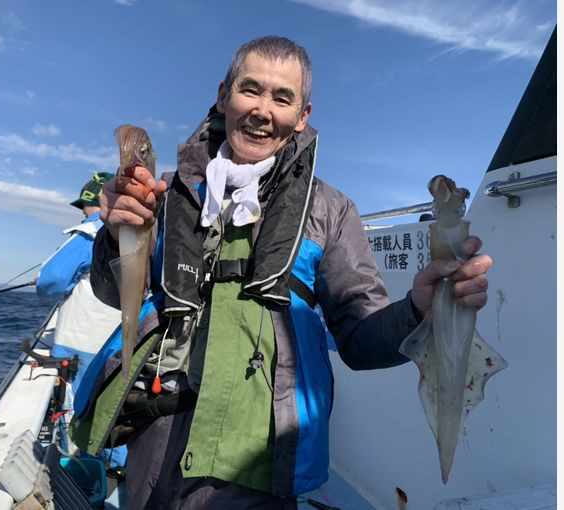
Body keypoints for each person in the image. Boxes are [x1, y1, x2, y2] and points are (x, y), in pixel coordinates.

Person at [69, 36, 492, 509]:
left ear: (302, 116)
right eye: (250, 90)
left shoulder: (331, 212)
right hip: (154, 447)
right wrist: (117, 234)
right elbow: (112, 291)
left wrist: (418, 310)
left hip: (259, 470)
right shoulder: (167, 196)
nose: (262, 110)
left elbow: (360, 342)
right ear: (224, 93)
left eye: (282, 97)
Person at [35, 172, 123, 459]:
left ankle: (84, 470)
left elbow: (51, 280)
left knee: (82, 411)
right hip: (122, 339)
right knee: (115, 406)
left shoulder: (90, 232)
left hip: (84, 342)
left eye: (83, 205)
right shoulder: (135, 230)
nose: (82, 212)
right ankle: (120, 473)